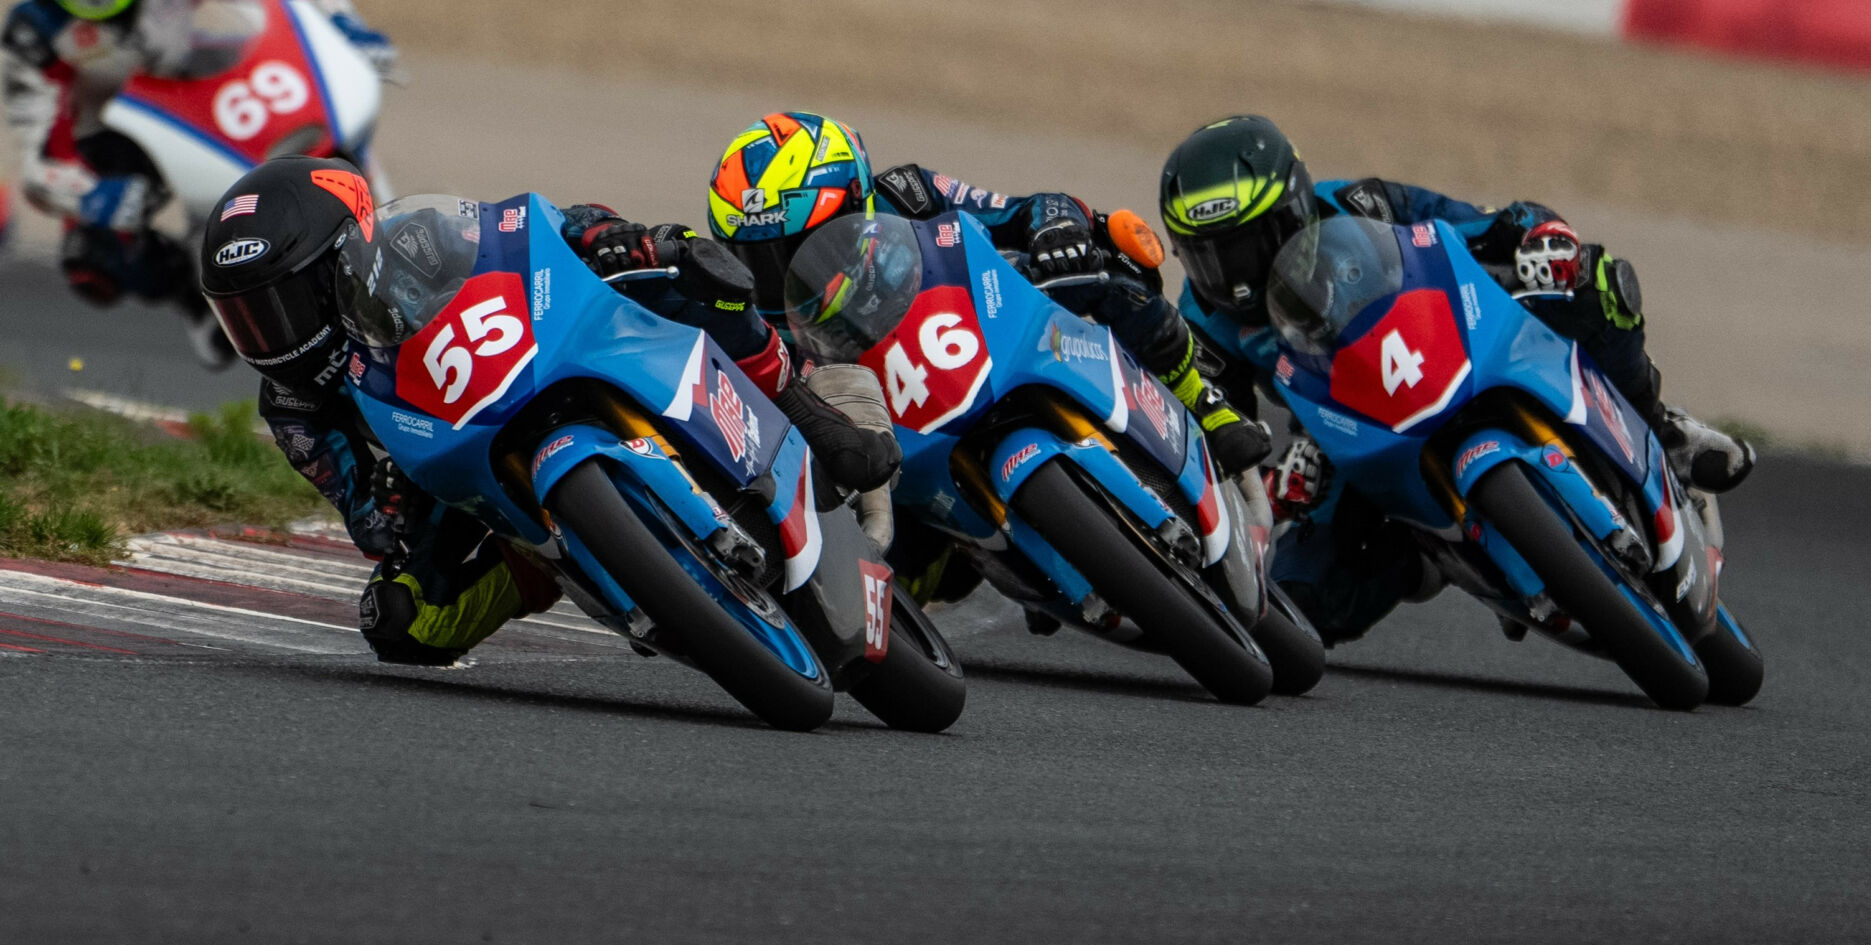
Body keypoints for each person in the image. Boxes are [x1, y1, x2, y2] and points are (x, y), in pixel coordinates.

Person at [198, 156, 898, 666]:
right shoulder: (294, 404)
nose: (273, 336)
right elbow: (364, 517)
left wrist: (622, 241)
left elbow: (531, 229)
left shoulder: (413, 243)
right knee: (401, 621)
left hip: (530, 358)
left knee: (698, 277)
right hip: (455, 469)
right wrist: (388, 508)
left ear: (348, 256)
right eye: (248, 321)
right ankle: (555, 559)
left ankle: (809, 410)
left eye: (282, 306)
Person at [1158, 114, 1757, 644]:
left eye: (1246, 249)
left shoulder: (1361, 205)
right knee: (1297, 605)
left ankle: (1660, 425)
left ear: (1293, 207)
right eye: (1208, 257)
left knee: (1595, 282)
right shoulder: (1202, 325)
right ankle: (1425, 555)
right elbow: (1219, 441)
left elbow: (1478, 225)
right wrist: (1275, 475)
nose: (1234, 279)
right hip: (1348, 433)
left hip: (1450, 347)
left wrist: (1538, 240)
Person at [704, 111, 1273, 475]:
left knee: (1108, 263)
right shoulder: (761, 328)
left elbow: (1027, 207)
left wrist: (1056, 230)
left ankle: (1203, 401)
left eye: (804, 245)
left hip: (980, 324)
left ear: (858, 201)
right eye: (760, 258)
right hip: (897, 421)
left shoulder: (908, 191)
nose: (791, 273)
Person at [1, 0, 394, 366]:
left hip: (205, 86)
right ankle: (194, 294)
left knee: (331, 123)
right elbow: (37, 166)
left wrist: (344, 24)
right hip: (118, 139)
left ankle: (389, 223)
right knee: (93, 262)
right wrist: (89, 195)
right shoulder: (30, 34)